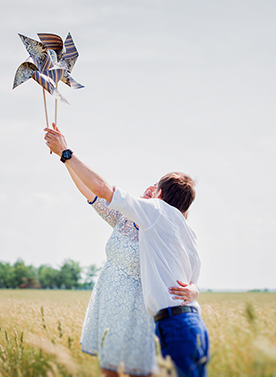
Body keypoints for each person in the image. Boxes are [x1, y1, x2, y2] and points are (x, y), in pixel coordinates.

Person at [45, 125, 210, 377]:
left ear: (160, 196)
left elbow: (102, 188)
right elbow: (91, 192)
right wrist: (63, 158)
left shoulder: (155, 214)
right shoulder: (171, 227)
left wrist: (66, 152)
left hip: (152, 316)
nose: (149, 189)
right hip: (153, 314)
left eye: (154, 187)